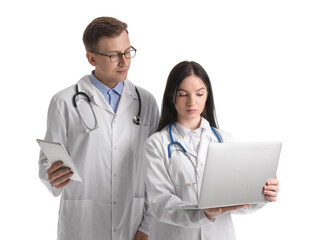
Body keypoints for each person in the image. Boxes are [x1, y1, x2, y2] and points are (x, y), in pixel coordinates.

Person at [38, 17, 159, 240]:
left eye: (127, 52)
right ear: (91, 58)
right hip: (83, 224)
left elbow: (156, 169)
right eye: (114, 55)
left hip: (132, 223)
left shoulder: (146, 101)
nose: (124, 61)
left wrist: (148, 225)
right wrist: (51, 175)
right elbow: (47, 162)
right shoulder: (64, 102)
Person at [143, 61, 279, 240]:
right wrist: (204, 213)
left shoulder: (224, 140)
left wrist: (262, 195)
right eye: (183, 94)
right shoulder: (156, 144)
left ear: (207, 96)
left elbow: (237, 198)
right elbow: (160, 203)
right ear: (171, 97)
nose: (192, 102)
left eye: (199, 94)